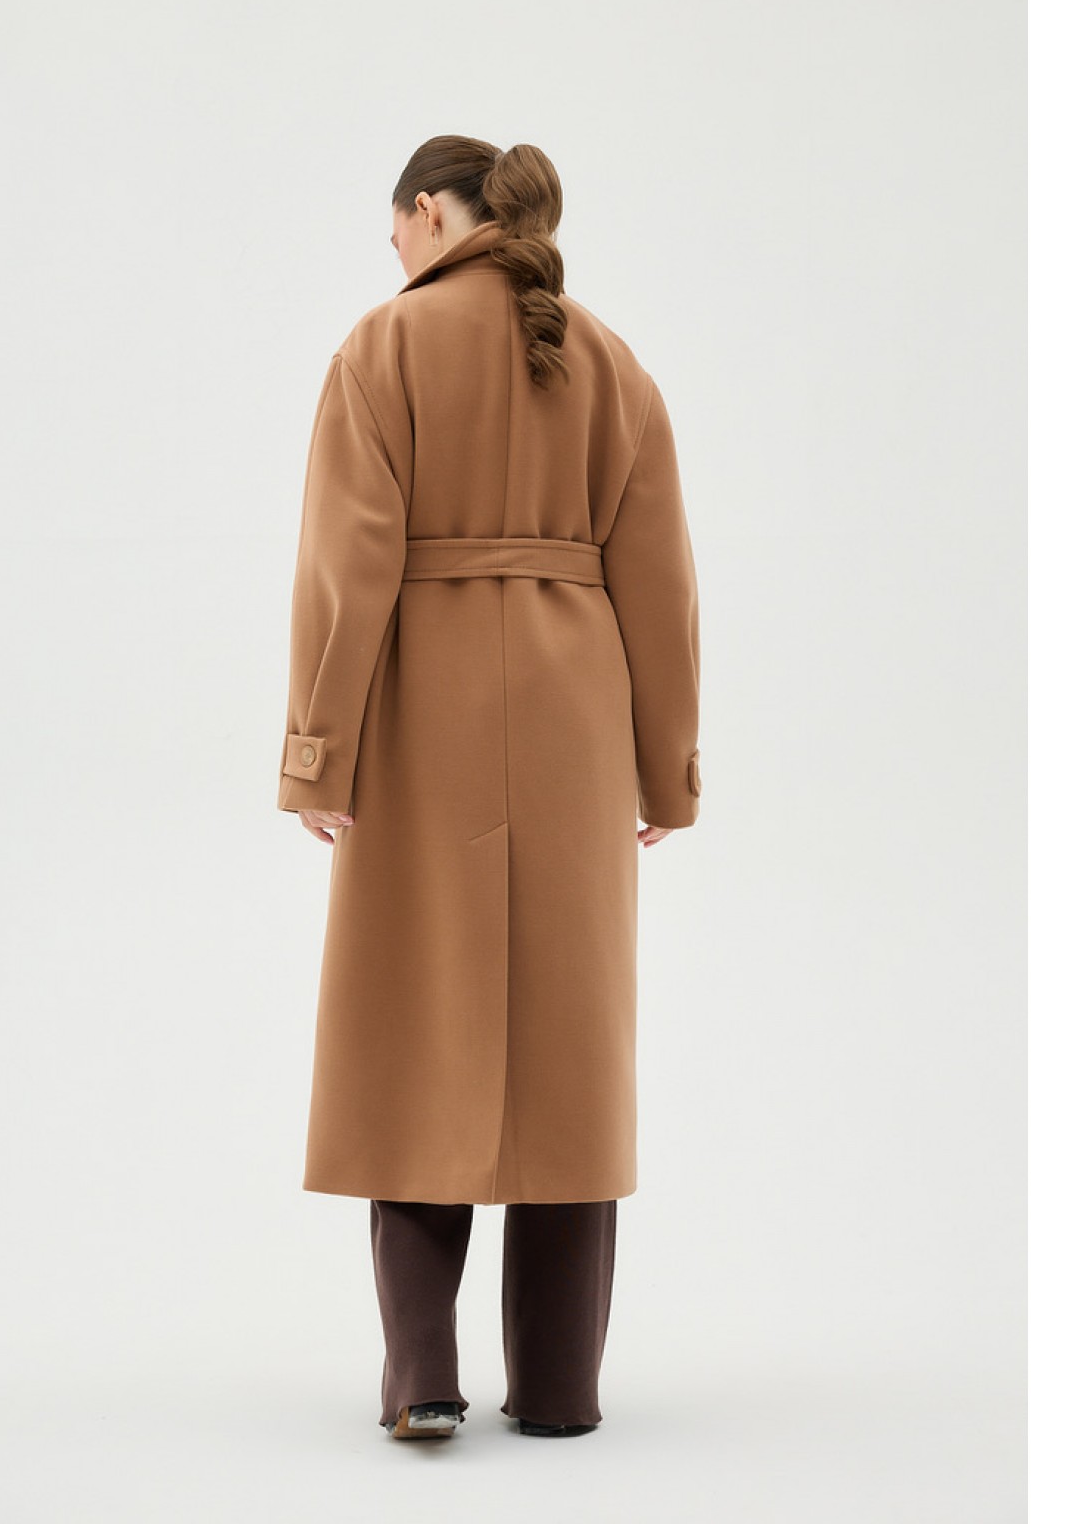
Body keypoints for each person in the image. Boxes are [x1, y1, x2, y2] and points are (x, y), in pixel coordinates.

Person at [276, 135, 702, 1441]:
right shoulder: (609, 359)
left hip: (425, 715)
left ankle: (422, 1375)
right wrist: (668, 770)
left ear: (426, 212)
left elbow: (347, 567)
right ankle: (562, 1388)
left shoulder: (383, 348)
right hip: (577, 723)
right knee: (572, 1048)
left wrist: (317, 751)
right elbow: (661, 583)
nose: (393, 255)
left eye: (394, 230)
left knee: (413, 1028)